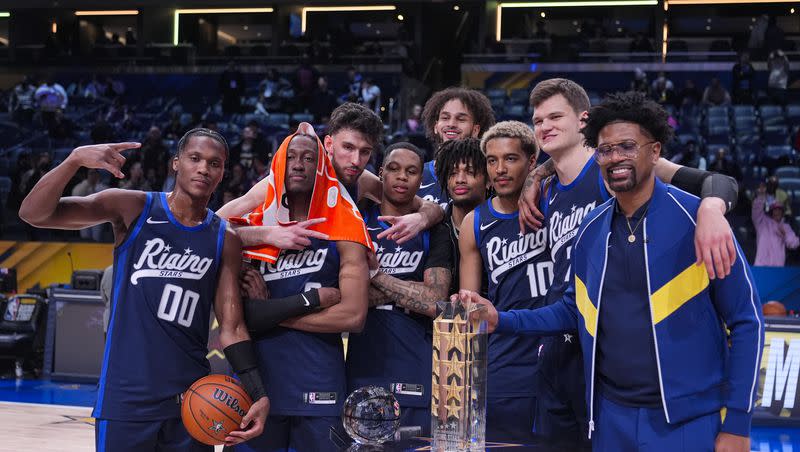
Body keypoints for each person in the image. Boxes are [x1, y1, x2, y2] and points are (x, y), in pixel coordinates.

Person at [466, 91, 764, 452]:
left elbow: (747, 321)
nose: (615, 158)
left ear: (654, 152)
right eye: (605, 150)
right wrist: (503, 319)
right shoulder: (590, 231)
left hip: (688, 421)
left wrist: (737, 422)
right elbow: (572, 311)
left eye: (627, 146)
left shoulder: (698, 218)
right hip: (610, 420)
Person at [18, 129, 269, 450]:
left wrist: (258, 392)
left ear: (222, 173)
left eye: (214, 163)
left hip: (190, 401)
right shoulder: (132, 207)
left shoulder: (225, 238)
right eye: (195, 159)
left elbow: (232, 328)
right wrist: (74, 160)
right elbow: (33, 214)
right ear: (175, 164)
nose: (204, 168)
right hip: (126, 397)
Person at [232, 130, 371, 451]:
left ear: (321, 167)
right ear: (278, 165)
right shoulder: (255, 225)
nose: (299, 165)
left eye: (309, 158)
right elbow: (205, 228)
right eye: (291, 157)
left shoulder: (345, 226)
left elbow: (353, 315)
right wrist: (267, 234)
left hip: (318, 384)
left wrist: (270, 313)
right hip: (257, 385)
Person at [219, 105, 442, 251]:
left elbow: (433, 208)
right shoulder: (291, 177)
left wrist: (420, 219)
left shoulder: (362, 180)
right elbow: (215, 222)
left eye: (365, 152)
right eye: (348, 147)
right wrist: (267, 233)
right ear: (328, 145)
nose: (356, 160)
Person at [347, 142, 452, 436]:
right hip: (363, 365)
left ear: (421, 180)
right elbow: (346, 296)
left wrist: (375, 275)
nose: (401, 177)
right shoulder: (357, 223)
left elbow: (434, 301)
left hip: (416, 365)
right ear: (381, 174)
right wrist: (409, 290)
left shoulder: (435, 230)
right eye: (393, 169)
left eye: (411, 171)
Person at [458, 122, 551, 443]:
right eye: (492, 160)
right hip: (504, 367)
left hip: (560, 357)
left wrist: (539, 180)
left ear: (532, 161)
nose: (500, 169)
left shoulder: (557, 203)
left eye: (511, 159)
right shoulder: (476, 222)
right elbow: (470, 310)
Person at [419, 87, 496, 209]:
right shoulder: (417, 175)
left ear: (476, 129)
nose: (451, 124)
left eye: (461, 119)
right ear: (435, 126)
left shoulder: (490, 175)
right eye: (445, 118)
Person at [434, 138, 489, 295]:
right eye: (452, 173)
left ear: (489, 179)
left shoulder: (502, 223)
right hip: (443, 316)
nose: (459, 180)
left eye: (470, 172)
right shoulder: (435, 227)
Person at [753, 183, 799, 266]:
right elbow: (756, 211)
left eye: (779, 210)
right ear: (771, 211)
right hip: (760, 266)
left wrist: (785, 234)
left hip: (777, 267)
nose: (777, 212)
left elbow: (794, 244)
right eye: (775, 210)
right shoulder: (762, 222)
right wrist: (761, 196)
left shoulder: (786, 227)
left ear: (782, 212)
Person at [72, 169, 110, 241]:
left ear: (98, 175)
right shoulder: (81, 186)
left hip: (98, 217)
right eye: (91, 173)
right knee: (85, 238)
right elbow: (75, 196)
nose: (92, 175)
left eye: (94, 173)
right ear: (87, 175)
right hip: (84, 216)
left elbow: (108, 200)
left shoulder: (103, 187)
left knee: (97, 237)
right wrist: (87, 185)